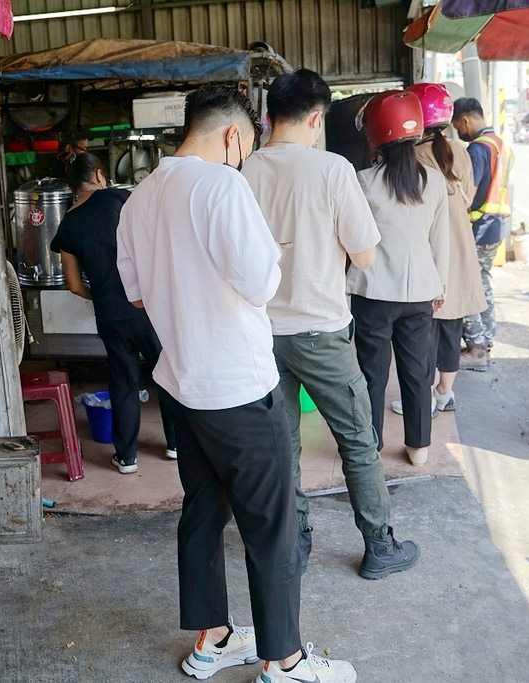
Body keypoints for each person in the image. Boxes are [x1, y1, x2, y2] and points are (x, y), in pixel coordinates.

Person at [117, 85, 356, 683]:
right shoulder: (222, 185)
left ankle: (214, 639)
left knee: (203, 511)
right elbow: (260, 284)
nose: (244, 158)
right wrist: (269, 255)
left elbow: (138, 294)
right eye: (246, 147)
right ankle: (285, 660)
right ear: (231, 136)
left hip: (182, 384)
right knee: (271, 525)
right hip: (240, 390)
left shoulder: (139, 197)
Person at [242, 69, 419, 581]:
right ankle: (379, 545)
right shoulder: (333, 170)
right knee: (357, 440)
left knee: (284, 446)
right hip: (320, 330)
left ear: (270, 116)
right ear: (317, 118)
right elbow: (364, 256)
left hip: (262, 333)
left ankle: (294, 543)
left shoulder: (243, 171)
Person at [50, 152, 177, 473]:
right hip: (146, 306)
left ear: (72, 185)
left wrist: (104, 295)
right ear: (99, 174)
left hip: (110, 315)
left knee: (123, 382)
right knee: (166, 374)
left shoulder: (69, 225)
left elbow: (75, 285)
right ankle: (176, 445)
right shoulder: (123, 199)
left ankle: (127, 457)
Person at [349, 90, 450, 467]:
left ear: (375, 134)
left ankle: (371, 445)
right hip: (422, 292)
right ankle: (419, 447)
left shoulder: (362, 181)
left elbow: (353, 241)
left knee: (371, 374)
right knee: (417, 372)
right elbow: (440, 241)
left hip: (374, 292)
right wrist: (440, 285)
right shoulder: (435, 181)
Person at [389, 83, 486, 415]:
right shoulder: (460, 149)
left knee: (423, 332)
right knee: (451, 327)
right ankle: (445, 393)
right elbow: (469, 195)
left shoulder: (413, 154)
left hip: (432, 249)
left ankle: (425, 397)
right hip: (462, 247)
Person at [451, 97, 514, 371]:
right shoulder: (500, 144)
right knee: (484, 284)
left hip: (477, 227)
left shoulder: (477, 149)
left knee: (466, 287)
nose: (458, 132)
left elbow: (469, 193)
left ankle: (476, 348)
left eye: (457, 126)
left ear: (464, 120)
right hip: (496, 225)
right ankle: (486, 341)